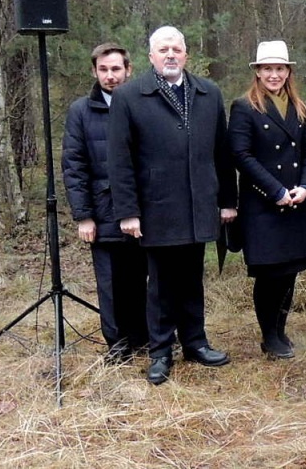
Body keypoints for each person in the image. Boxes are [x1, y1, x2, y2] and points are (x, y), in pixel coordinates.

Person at [108, 26, 237, 385]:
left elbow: (221, 153)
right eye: (162, 49)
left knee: (193, 279)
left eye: (176, 49)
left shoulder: (208, 93)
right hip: (156, 207)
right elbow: (119, 160)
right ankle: (161, 352)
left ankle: (195, 342)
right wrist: (128, 211)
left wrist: (227, 200)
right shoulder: (130, 96)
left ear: (186, 54)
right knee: (161, 284)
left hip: (199, 205)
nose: (170, 55)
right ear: (150, 56)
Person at [228, 40, 306, 360]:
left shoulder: (300, 107)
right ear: (258, 72)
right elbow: (240, 155)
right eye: (268, 69)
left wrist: (305, 186)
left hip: (295, 202)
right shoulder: (244, 107)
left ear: (288, 72)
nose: (274, 74)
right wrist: (276, 190)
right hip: (262, 205)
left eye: (279, 68)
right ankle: (269, 336)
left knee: (290, 272)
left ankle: (280, 330)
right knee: (269, 275)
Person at [61, 42, 148, 363]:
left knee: (143, 278)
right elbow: (75, 166)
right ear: (94, 71)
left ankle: (146, 338)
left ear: (128, 70)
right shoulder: (80, 111)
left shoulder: (144, 105)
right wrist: (84, 216)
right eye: (104, 70)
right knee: (111, 283)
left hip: (146, 210)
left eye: (116, 69)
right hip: (103, 211)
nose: (110, 76)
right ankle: (118, 343)